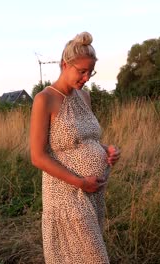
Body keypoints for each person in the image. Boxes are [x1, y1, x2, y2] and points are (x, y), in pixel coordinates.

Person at [29, 32, 120, 264]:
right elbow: (38, 157)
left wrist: (106, 149)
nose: (87, 77)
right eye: (82, 71)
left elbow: (86, 139)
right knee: (92, 259)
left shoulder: (85, 97)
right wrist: (80, 182)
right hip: (66, 194)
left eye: (90, 72)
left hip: (93, 193)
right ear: (64, 64)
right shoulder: (45, 99)